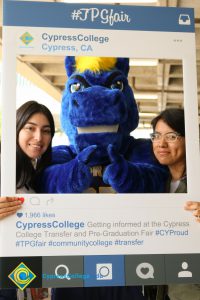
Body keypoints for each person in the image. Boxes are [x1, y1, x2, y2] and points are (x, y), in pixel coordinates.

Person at [0, 100, 55, 300]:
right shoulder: (3, 167)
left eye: (46, 131)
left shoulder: (33, 173)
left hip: (21, 273)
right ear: (16, 129)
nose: (39, 137)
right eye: (30, 128)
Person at [150, 108, 200, 300]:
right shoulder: (156, 183)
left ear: (191, 139)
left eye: (171, 136)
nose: (161, 144)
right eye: (156, 136)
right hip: (163, 289)